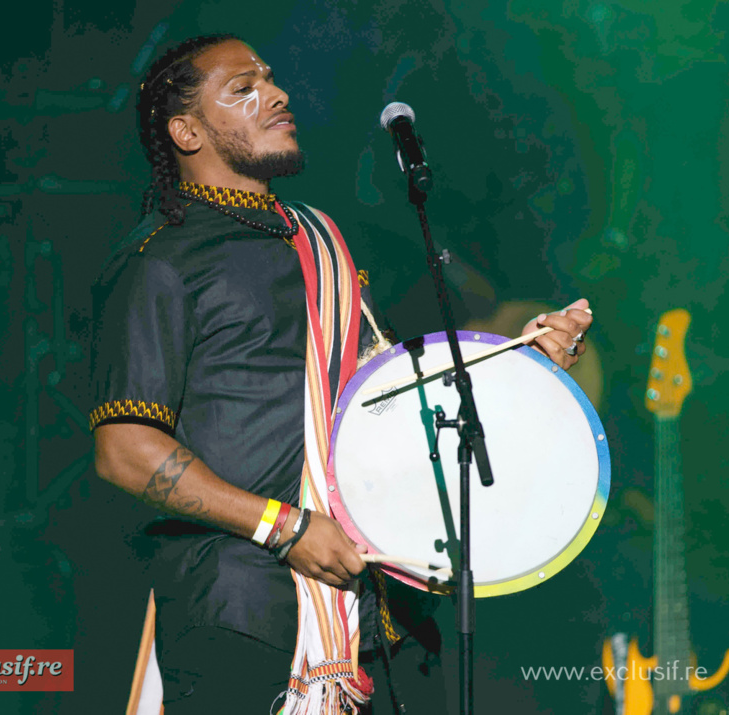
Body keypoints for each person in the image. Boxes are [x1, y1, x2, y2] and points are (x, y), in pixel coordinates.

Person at [88, 34, 592, 714]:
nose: (277, 93)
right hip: (244, 616)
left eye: (270, 77)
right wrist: (286, 527)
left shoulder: (317, 236)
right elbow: (125, 451)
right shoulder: (160, 261)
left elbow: (376, 401)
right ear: (185, 130)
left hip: (387, 611)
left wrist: (516, 365)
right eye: (242, 87)